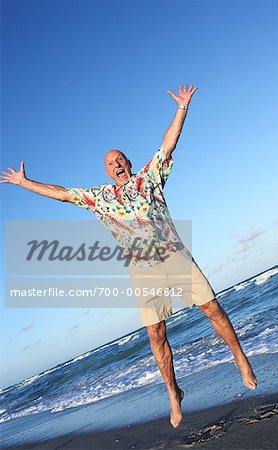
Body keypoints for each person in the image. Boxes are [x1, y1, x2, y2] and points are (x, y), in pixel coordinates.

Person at [1, 84, 257, 428]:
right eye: (111, 163)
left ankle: (240, 358)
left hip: (175, 257)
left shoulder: (150, 178)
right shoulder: (100, 198)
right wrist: (24, 183)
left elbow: (169, 142)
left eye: (120, 159)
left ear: (129, 163)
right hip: (143, 271)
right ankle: (173, 392)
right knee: (156, 334)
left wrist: (182, 108)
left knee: (212, 308)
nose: (117, 164)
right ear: (107, 172)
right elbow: (61, 194)